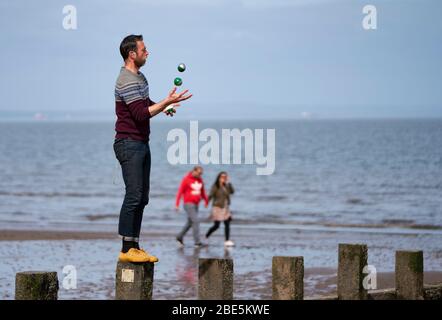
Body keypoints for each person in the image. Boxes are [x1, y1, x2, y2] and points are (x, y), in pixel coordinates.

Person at [114, 34, 192, 263]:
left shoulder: (139, 77)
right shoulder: (125, 79)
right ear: (132, 54)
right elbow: (139, 114)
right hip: (128, 142)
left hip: (140, 142)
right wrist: (164, 104)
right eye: (144, 49)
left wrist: (163, 104)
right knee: (134, 195)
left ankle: (134, 246)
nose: (147, 52)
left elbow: (144, 104)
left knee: (142, 197)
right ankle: (126, 248)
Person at [175, 166, 209, 247]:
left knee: (190, 222)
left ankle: (179, 237)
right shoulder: (186, 179)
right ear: (194, 171)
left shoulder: (200, 180)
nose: (200, 175)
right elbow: (180, 192)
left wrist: (206, 200)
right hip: (188, 204)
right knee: (196, 221)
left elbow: (202, 192)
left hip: (196, 204)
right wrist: (177, 204)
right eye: (199, 173)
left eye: (201, 173)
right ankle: (197, 242)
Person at [205, 172, 235, 247]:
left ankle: (227, 240)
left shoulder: (227, 185)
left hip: (225, 207)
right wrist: (207, 202)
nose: (224, 178)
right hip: (217, 207)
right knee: (217, 225)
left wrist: (229, 183)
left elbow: (232, 192)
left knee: (227, 223)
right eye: (222, 177)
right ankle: (207, 234)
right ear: (219, 177)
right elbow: (211, 195)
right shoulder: (216, 186)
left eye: (225, 177)